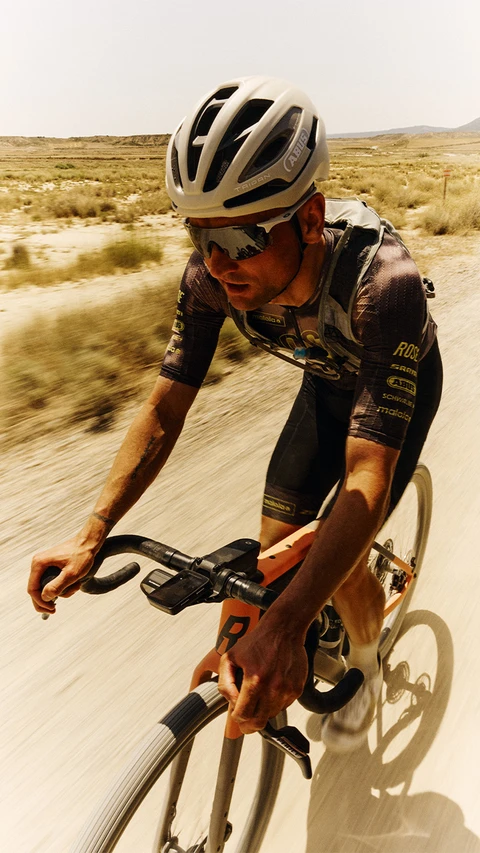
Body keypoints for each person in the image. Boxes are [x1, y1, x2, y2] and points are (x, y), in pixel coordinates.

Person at [28, 76, 442, 752]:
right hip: (325, 384)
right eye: (199, 233)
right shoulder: (209, 277)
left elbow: (367, 480)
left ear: (309, 220)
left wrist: (284, 628)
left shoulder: (383, 285)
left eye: (244, 238)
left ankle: (366, 669)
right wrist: (93, 529)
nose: (217, 264)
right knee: (269, 557)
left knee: (344, 561)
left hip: (398, 388)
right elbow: (165, 407)